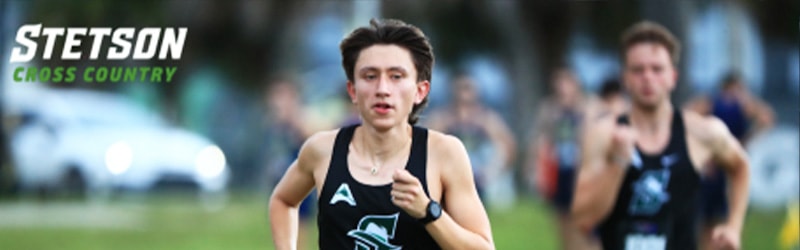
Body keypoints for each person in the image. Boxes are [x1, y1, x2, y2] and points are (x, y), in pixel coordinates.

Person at [269, 18, 494, 250]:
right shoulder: (322, 150)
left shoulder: (444, 153)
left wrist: (428, 212)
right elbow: (283, 200)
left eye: (396, 76)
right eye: (370, 76)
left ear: (420, 91)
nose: (382, 90)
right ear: (352, 91)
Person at [571, 21, 750, 250]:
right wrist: (617, 163)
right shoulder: (604, 134)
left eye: (657, 69)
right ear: (625, 77)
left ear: (673, 76)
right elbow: (583, 218)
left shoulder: (702, 132)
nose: (647, 78)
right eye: (638, 70)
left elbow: (741, 167)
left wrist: (733, 227)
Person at [684, 71, 773, 249]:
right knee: (709, 218)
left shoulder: (738, 104)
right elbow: (684, 118)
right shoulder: (715, 103)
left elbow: (766, 118)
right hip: (716, 166)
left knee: (727, 214)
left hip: (729, 164)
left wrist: (746, 141)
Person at [525, 67, 598, 250]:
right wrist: (535, 170)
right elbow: (539, 140)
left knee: (587, 223)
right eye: (560, 82)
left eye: (567, 82)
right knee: (562, 221)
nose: (563, 88)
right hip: (559, 172)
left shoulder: (589, 107)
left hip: (582, 172)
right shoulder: (549, 109)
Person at [426, 74, 517, 203]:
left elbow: (507, 146)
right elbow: (425, 145)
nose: (464, 93)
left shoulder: (486, 119)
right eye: (460, 88)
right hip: (450, 176)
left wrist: (492, 172)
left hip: (477, 177)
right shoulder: (442, 119)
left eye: (467, 88)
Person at [261, 77, 315, 249]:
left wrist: (292, 118)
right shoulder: (273, 122)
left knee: (300, 222)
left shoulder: (301, 118)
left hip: (299, 178)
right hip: (279, 175)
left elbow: (311, 139)